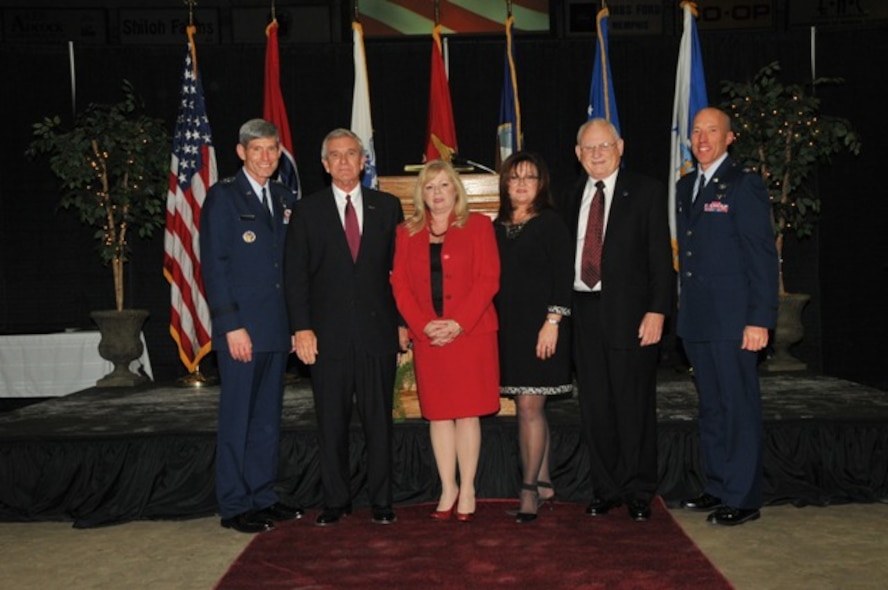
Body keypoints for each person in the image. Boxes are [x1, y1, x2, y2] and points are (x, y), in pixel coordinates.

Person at [284, 128, 405, 527]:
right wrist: (301, 328)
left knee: (379, 424)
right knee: (330, 423)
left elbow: (401, 274)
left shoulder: (387, 207)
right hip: (326, 339)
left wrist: (403, 322)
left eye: (350, 154)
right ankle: (336, 500)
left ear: (363, 160)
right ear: (323, 164)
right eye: (334, 155)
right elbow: (296, 275)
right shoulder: (307, 211)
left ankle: (382, 500)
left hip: (378, 335)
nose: (343, 161)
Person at [559, 118, 674, 522]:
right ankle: (605, 489)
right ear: (577, 153)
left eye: (604, 146)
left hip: (631, 316)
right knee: (596, 407)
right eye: (588, 148)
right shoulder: (570, 194)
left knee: (634, 407)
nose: (596, 154)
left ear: (620, 146)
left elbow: (661, 257)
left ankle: (639, 490)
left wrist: (658, 309)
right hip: (582, 313)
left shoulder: (646, 191)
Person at [677, 107, 778, 526]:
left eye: (712, 131)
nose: (702, 138)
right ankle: (718, 485)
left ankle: (743, 496)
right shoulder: (685, 187)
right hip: (699, 319)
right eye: (697, 131)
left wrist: (760, 319)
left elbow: (762, 256)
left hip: (736, 321)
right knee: (713, 407)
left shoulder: (744, 185)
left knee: (738, 406)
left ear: (729, 138)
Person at [200, 118, 302, 534]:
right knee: (237, 418)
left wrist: (297, 325)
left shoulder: (282, 197)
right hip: (241, 331)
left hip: (276, 328)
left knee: (266, 419)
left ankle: (263, 495)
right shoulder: (223, 197)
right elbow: (215, 265)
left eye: (272, 149)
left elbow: (290, 268)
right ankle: (234, 503)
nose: (266, 157)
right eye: (257, 149)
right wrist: (231, 326)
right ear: (241, 152)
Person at [390, 159, 501, 522]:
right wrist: (423, 326)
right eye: (429, 187)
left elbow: (489, 279)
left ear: (456, 189)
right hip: (429, 338)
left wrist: (458, 322)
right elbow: (400, 285)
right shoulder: (406, 232)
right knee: (438, 415)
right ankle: (447, 487)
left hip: (470, 335)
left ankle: (468, 486)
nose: (437, 194)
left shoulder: (480, 225)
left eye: (443, 185)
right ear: (420, 194)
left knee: (468, 414)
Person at [493, 152, 573, 523]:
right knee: (529, 407)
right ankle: (544, 483)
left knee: (529, 407)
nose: (521, 184)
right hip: (509, 330)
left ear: (541, 184)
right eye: (514, 178)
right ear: (505, 184)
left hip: (544, 330)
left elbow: (562, 277)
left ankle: (527, 492)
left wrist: (553, 321)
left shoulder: (552, 223)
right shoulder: (496, 226)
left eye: (529, 178)